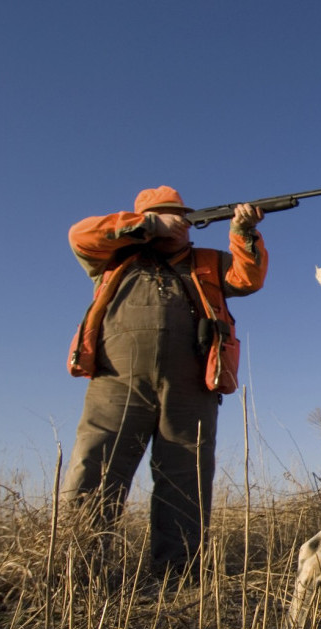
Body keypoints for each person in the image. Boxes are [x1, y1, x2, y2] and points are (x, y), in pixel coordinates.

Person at [62, 185, 268, 582]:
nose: (182, 222)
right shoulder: (114, 256)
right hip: (115, 383)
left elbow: (248, 278)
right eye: (170, 214)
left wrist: (243, 231)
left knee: (185, 478)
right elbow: (79, 234)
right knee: (95, 470)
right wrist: (148, 225)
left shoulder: (207, 260)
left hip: (191, 385)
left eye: (182, 215)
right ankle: (75, 574)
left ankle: (179, 576)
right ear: (148, 218)